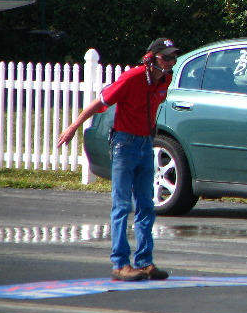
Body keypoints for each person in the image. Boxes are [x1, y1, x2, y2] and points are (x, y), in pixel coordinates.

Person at [57, 38, 181, 281]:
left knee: (146, 205)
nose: (170, 62)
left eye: (173, 57)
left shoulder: (165, 79)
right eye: (166, 57)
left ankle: (145, 262)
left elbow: (153, 107)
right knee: (122, 205)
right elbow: (99, 103)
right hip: (125, 144)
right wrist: (73, 127)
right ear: (150, 58)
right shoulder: (131, 78)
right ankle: (120, 264)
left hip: (146, 144)